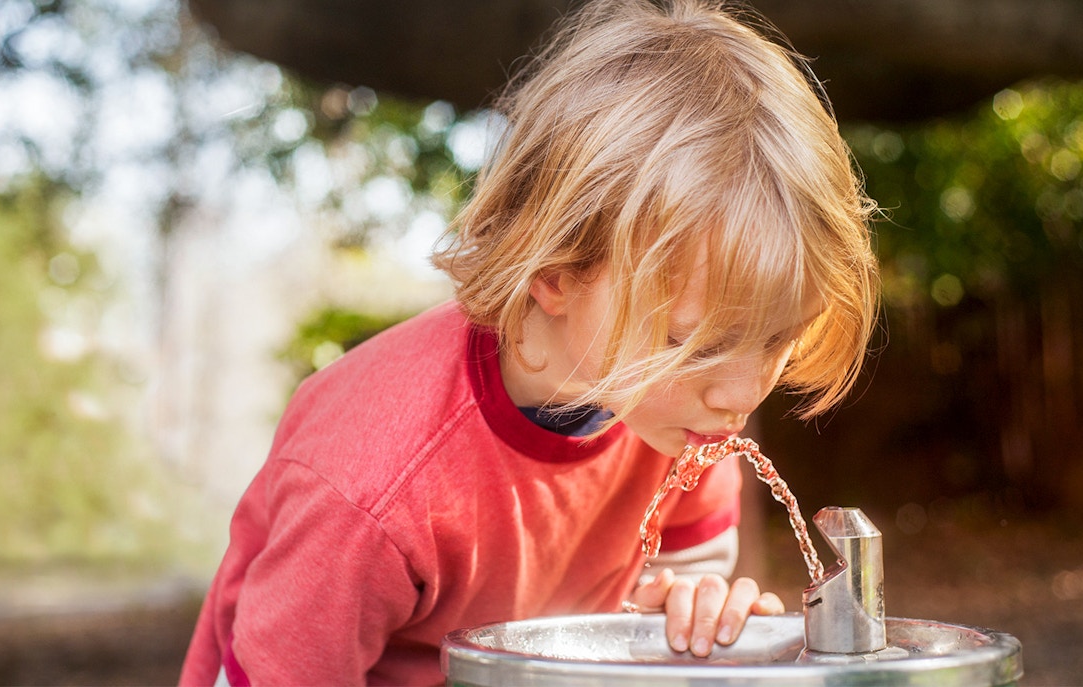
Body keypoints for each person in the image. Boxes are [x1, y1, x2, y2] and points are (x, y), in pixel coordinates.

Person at [180, 0, 878, 684]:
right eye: (692, 345)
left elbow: (679, 576)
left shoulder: (676, 418)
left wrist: (686, 615)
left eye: (777, 338)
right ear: (556, 274)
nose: (743, 393)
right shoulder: (372, 486)